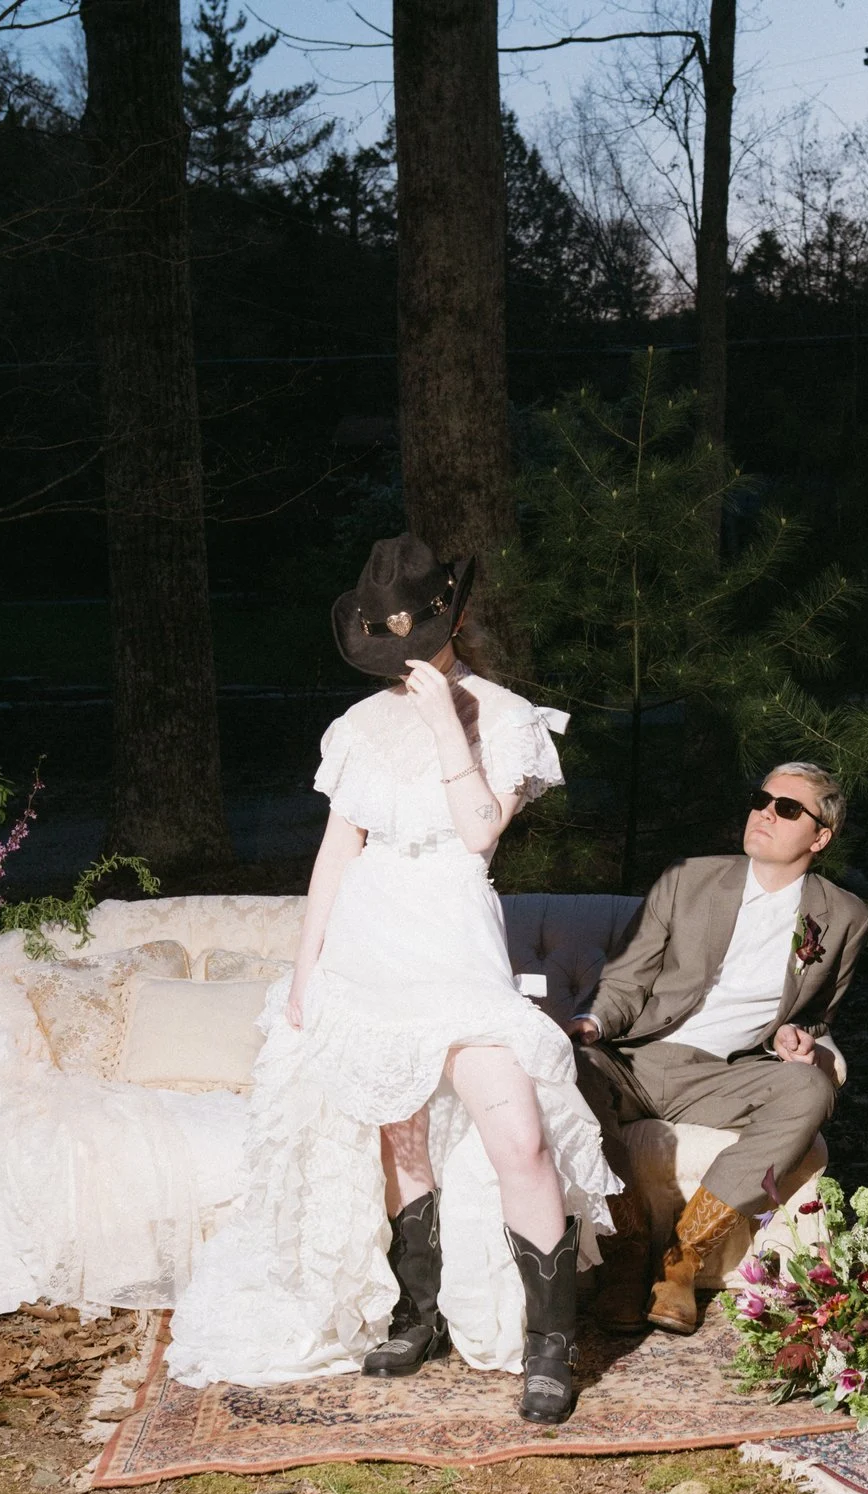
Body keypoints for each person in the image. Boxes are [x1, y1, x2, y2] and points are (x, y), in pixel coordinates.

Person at [165, 533, 617, 1424]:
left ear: (452, 619)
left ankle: (549, 1345)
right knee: (399, 1132)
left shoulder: (506, 714)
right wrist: (305, 973)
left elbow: (481, 832)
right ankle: (421, 1311)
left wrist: (449, 719)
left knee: (517, 1132)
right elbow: (339, 850)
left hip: (451, 937)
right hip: (366, 944)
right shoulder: (357, 729)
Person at [567, 765, 868, 1334]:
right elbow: (627, 979)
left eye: (787, 808)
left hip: (724, 1079)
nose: (764, 812)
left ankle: (683, 1257)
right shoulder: (689, 879)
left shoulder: (845, 916)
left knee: (810, 1088)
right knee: (572, 1068)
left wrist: (799, 1033)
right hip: (637, 1060)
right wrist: (590, 1023)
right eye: (761, 799)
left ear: (820, 836)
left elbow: (818, 1009)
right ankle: (627, 1253)